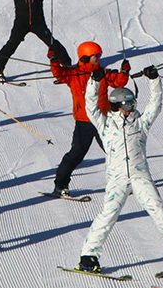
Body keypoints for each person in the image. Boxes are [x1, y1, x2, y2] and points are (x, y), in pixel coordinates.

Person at [77, 65, 163, 272]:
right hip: (117, 178)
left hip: (140, 175)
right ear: (117, 105)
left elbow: (155, 104)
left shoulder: (140, 123)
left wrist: (154, 80)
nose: (132, 107)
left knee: (158, 210)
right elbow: (90, 107)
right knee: (108, 215)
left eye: (133, 103)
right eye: (128, 104)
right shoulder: (105, 125)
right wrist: (94, 83)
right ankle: (88, 256)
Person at [49, 41, 130, 196]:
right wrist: (54, 60)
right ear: (86, 57)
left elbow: (118, 82)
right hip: (84, 122)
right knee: (76, 154)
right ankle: (60, 186)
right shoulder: (74, 74)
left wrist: (124, 72)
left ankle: (124, 182)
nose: (99, 58)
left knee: (115, 152)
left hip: (104, 120)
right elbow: (59, 73)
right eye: (96, 56)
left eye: (99, 55)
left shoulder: (103, 73)